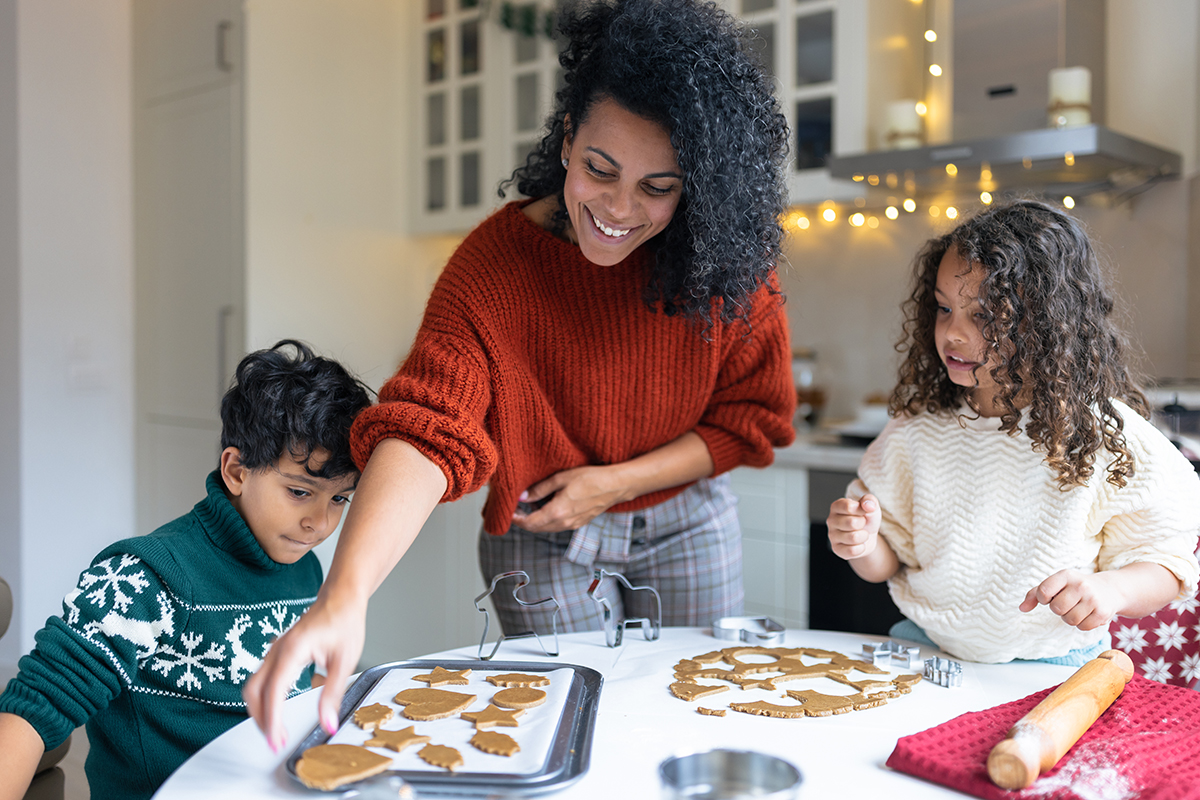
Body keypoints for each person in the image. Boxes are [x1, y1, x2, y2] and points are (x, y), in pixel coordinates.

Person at [243, 0, 795, 751]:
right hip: (541, 538)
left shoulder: (731, 274)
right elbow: (426, 429)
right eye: (601, 168)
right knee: (575, 729)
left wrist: (614, 482)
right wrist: (345, 594)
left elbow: (750, 421)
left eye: (657, 187)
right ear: (567, 138)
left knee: (698, 719)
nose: (619, 208)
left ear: (694, 185)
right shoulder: (493, 270)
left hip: (687, 521)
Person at [827, 200, 1200, 665]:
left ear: (1047, 322)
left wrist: (1112, 588)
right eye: (944, 308)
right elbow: (889, 562)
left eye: (984, 316)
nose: (953, 333)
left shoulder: (1101, 432)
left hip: (1057, 660)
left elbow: (1166, 561)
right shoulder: (916, 431)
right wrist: (861, 544)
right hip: (927, 648)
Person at [0, 340, 371, 800]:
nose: (321, 523)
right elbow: (34, 711)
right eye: (299, 492)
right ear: (236, 471)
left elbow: (296, 687)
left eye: (339, 499)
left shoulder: (308, 572)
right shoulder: (143, 577)